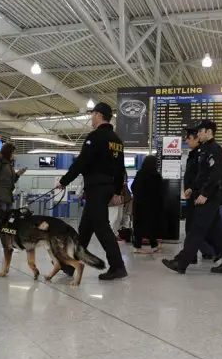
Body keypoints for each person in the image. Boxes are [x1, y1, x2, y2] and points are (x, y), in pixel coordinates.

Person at [56, 102, 128, 281]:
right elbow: (120, 168)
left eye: (92, 114)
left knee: (101, 227)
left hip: (96, 187)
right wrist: (118, 191)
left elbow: (81, 162)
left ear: (98, 115)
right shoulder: (117, 140)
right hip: (108, 187)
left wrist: (64, 181)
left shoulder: (95, 137)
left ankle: (118, 266)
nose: (91, 117)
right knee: (85, 228)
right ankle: (70, 264)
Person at [162, 120, 222, 274]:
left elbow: (215, 175)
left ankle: (181, 263)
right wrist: (192, 189)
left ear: (209, 132)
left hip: (210, 197)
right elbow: (202, 175)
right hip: (204, 194)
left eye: (201, 132)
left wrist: (204, 194)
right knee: (219, 232)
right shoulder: (204, 149)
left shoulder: (215, 150)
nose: (199, 134)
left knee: (196, 229)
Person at [183, 128, 215, 262]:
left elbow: (202, 175)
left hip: (197, 195)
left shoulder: (201, 154)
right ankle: (207, 252)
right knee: (197, 226)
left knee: (193, 226)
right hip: (193, 194)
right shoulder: (193, 154)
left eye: (189, 138)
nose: (186, 141)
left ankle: (189, 256)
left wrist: (191, 188)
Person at [131, 155, 163, 254]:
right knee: (151, 225)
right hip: (151, 205)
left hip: (138, 204)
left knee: (138, 225)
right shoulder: (156, 176)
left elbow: (133, 187)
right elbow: (160, 192)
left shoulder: (139, 174)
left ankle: (137, 246)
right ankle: (154, 245)